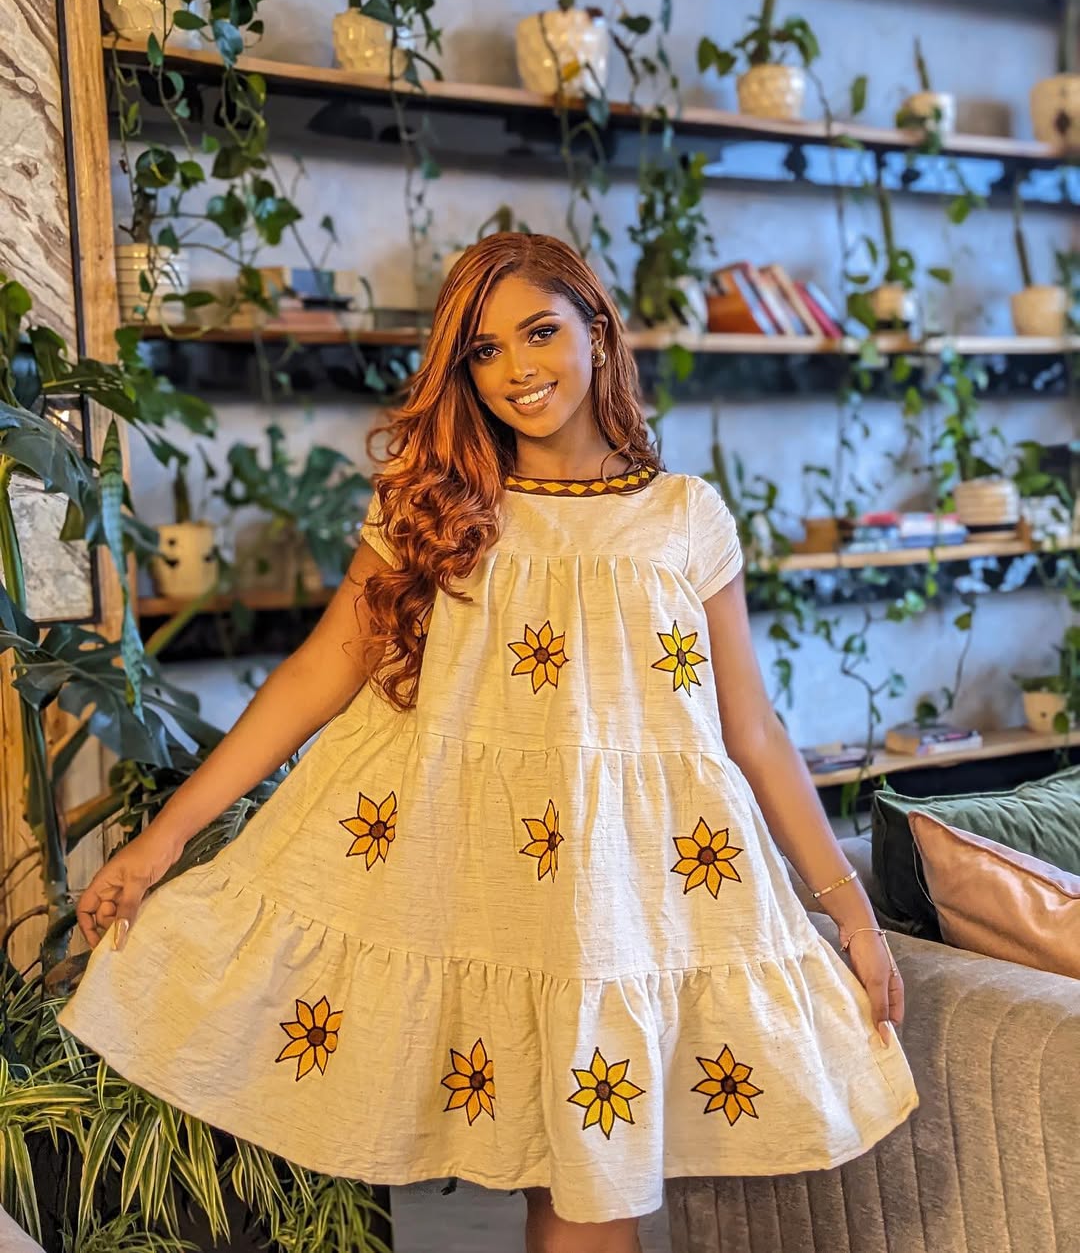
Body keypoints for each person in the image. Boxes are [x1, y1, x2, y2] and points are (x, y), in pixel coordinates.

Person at [59, 233, 918, 1253]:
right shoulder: (433, 509)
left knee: (589, 1193)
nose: (517, 368)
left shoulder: (684, 516)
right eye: (484, 349)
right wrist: (163, 839)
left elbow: (754, 729)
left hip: (626, 892)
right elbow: (320, 671)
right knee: (557, 1188)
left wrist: (849, 912)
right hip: (471, 876)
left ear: (598, 331)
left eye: (540, 332)